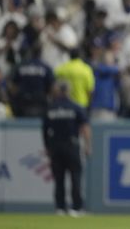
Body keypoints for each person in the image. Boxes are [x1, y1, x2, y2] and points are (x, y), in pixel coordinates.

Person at [42, 81, 91, 217]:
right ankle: (77, 208)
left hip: (55, 146)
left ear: (58, 92)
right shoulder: (75, 107)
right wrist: (88, 146)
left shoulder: (51, 108)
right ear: (68, 91)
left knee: (59, 178)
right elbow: (85, 127)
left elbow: (45, 130)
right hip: (71, 145)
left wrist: (47, 147)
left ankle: (60, 207)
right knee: (75, 176)